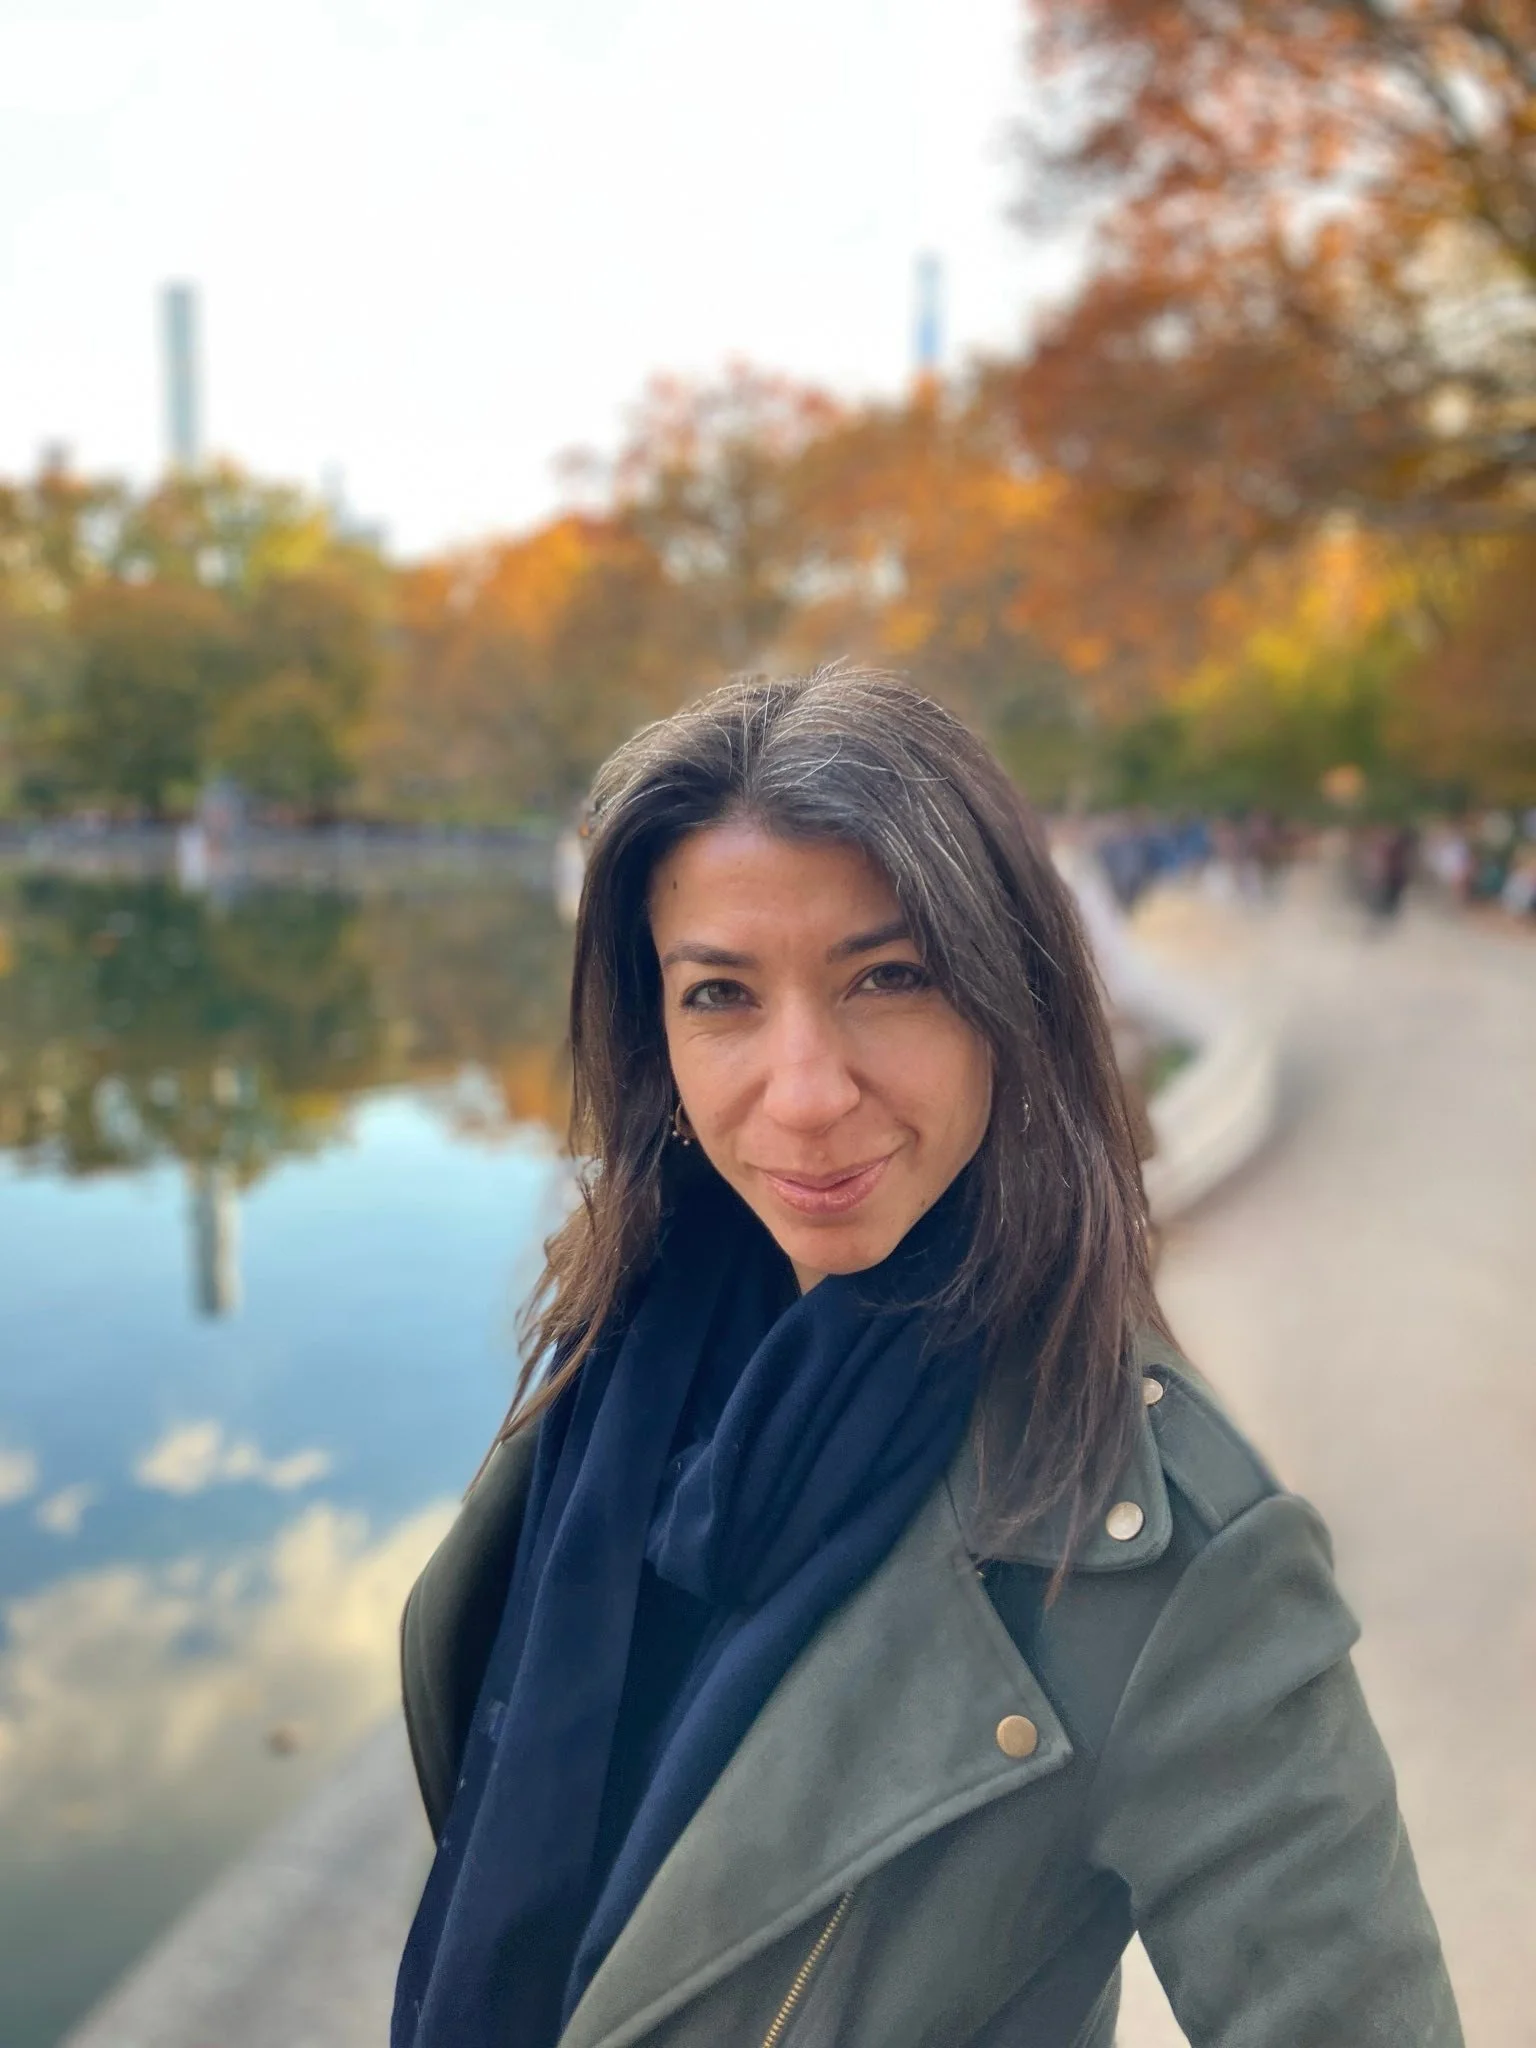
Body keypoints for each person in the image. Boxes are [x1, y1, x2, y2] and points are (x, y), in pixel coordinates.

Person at [393, 669, 1461, 2048]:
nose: (806, 1092)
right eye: (721, 994)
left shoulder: (1169, 1561)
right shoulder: (616, 1361)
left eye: (889, 978)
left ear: (1010, 997)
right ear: (656, 1033)